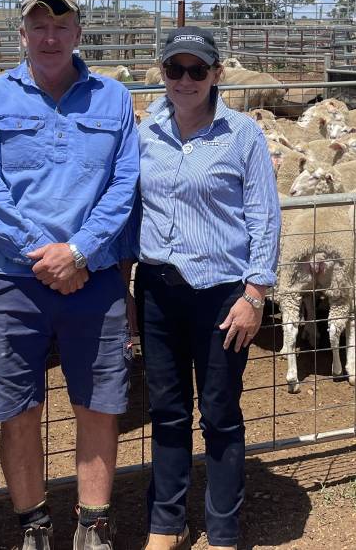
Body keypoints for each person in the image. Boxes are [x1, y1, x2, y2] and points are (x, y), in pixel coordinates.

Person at [0, 0, 139, 550]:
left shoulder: (113, 99)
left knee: (99, 404)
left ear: (78, 34)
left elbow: (124, 183)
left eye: (61, 26)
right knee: (19, 409)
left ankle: (94, 525)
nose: (50, 36)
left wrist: (80, 250)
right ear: (22, 35)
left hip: (94, 277)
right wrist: (47, 253)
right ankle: (34, 527)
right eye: (38, 26)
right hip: (13, 280)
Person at [129, 27, 281, 550]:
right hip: (158, 288)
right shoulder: (146, 131)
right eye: (176, 70)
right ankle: (167, 523)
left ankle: (222, 527)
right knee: (166, 410)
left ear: (217, 74)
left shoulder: (242, 134)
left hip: (222, 294)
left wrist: (255, 294)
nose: (186, 80)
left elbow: (264, 216)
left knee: (220, 411)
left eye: (198, 70)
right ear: (163, 75)